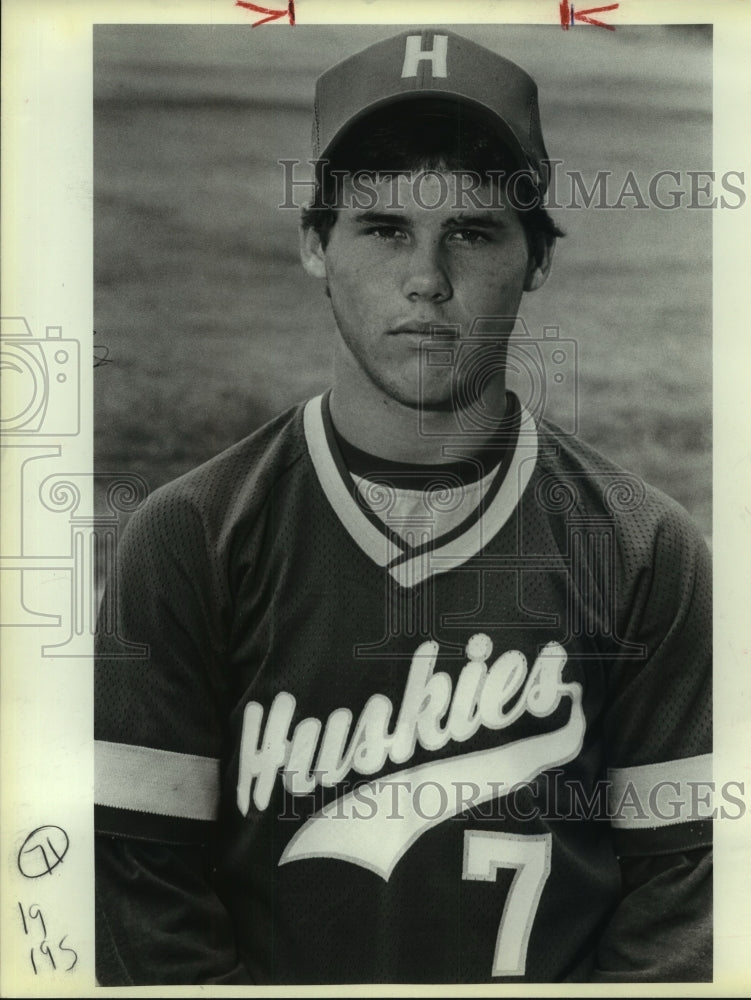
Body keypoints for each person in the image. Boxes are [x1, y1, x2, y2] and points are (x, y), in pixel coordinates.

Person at [94, 28, 712, 984]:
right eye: (383, 229)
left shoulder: (641, 547)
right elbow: (139, 889)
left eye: (471, 231)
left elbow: (686, 895)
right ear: (313, 244)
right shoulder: (189, 536)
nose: (426, 279)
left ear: (537, 258)